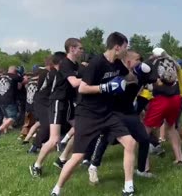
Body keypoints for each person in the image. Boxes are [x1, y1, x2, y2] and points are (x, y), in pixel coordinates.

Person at [50, 32, 137, 196]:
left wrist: (136, 72)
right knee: (78, 156)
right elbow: (82, 88)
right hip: (88, 114)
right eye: (126, 46)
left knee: (130, 143)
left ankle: (128, 187)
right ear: (117, 47)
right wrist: (104, 88)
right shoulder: (96, 64)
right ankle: (56, 189)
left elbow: (129, 77)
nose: (127, 49)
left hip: (107, 114)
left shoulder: (117, 63)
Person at [85, 50, 156, 184]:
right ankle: (93, 166)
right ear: (129, 61)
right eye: (137, 59)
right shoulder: (116, 73)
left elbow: (151, 78)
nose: (140, 62)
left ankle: (141, 170)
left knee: (144, 139)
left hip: (129, 111)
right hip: (113, 112)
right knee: (105, 138)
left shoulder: (139, 74)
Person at [30, 38, 82, 176]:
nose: (82, 51)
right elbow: (75, 83)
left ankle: (62, 158)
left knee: (80, 130)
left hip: (68, 102)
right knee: (54, 140)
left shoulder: (76, 65)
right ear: (72, 49)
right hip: (58, 102)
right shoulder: (65, 63)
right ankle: (36, 165)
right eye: (80, 48)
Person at [143, 47, 182, 165]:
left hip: (160, 99)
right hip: (176, 98)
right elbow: (178, 69)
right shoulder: (172, 62)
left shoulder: (152, 63)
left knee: (145, 130)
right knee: (171, 127)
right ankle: (180, 158)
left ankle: (144, 166)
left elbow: (144, 73)